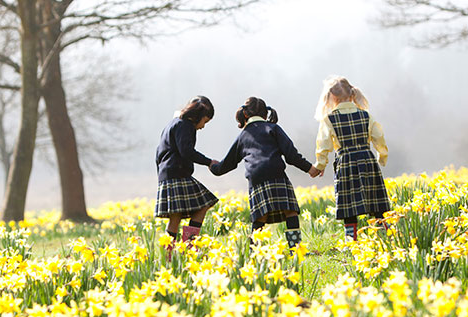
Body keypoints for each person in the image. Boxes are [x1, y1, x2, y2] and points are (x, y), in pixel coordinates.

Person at [210, 97, 320, 249]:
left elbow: (227, 164)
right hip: (275, 172)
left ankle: (254, 249)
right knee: (290, 211)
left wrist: (213, 166)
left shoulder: (243, 135)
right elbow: (291, 155)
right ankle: (295, 248)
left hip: (256, 176)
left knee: (260, 216)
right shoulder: (273, 128)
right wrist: (310, 168)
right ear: (265, 114)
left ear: (245, 115)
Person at [312, 76, 391, 240]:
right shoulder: (366, 116)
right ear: (351, 94)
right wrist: (381, 157)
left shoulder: (329, 119)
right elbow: (379, 137)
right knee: (376, 200)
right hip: (367, 159)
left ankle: (351, 241)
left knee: (349, 205)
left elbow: (323, 144)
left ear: (332, 97)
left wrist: (320, 165)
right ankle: (387, 236)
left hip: (346, 162)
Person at [155, 96, 219, 246]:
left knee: (175, 218)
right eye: (205, 121)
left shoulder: (172, 124)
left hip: (167, 174)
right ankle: (189, 247)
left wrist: (162, 175)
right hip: (178, 174)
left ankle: (167, 256)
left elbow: (159, 153)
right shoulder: (185, 125)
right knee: (204, 205)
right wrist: (209, 162)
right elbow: (187, 151)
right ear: (198, 115)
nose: (203, 126)